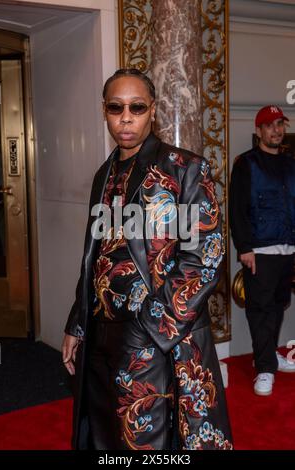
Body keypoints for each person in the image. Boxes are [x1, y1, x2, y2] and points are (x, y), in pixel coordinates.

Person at [62, 68, 232, 450]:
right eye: (115, 107)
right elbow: (95, 256)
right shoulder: (102, 175)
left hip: (155, 334)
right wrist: (78, 321)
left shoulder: (184, 168)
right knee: (106, 435)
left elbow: (204, 257)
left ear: (152, 111)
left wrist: (150, 331)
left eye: (136, 107)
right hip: (102, 331)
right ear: (104, 111)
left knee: (150, 441)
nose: (126, 117)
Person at [229, 105, 295, 397]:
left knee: (278, 305)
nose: (276, 130)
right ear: (259, 131)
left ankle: (265, 355)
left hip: (288, 248)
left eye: (280, 124)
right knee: (259, 310)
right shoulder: (246, 164)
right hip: (259, 249)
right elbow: (237, 210)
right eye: (270, 125)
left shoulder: (292, 164)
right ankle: (265, 368)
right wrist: (244, 248)